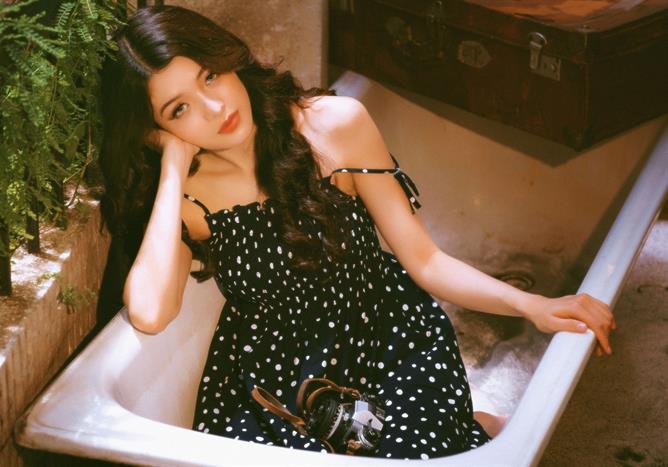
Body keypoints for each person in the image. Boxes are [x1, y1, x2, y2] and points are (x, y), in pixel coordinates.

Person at [97, 4, 616, 460]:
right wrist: (172, 167)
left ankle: (467, 426)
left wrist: (531, 305)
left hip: (385, 342)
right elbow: (150, 313)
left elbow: (425, 260)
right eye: (179, 109)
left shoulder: (333, 126)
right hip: (274, 380)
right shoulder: (188, 198)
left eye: (210, 76)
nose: (215, 108)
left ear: (227, 58)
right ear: (156, 130)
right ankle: (471, 428)